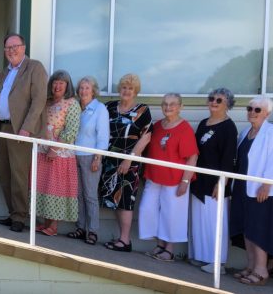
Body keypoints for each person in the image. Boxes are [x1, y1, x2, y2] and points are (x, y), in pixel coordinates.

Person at [0, 33, 48, 232]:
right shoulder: (6, 71)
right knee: (5, 174)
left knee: (18, 175)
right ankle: (12, 213)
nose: (11, 51)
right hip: (4, 128)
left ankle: (20, 217)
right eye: (8, 48)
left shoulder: (34, 67)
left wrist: (27, 127)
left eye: (15, 46)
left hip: (21, 130)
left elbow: (39, 100)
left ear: (23, 47)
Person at [139, 93, 199, 261]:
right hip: (154, 177)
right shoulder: (157, 126)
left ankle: (169, 250)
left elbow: (192, 156)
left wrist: (186, 181)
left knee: (172, 214)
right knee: (147, 209)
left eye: (173, 104)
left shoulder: (184, 128)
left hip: (175, 179)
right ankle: (159, 244)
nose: (168, 107)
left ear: (180, 106)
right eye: (165, 104)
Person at [99, 74, 152, 251]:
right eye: (124, 87)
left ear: (136, 91)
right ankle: (121, 238)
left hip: (130, 162)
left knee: (126, 200)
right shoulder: (110, 107)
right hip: (109, 161)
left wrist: (129, 159)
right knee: (115, 200)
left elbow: (145, 138)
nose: (126, 91)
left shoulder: (142, 110)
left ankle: (125, 240)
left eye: (130, 88)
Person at [190, 88, 237, 273]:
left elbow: (229, 157)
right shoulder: (203, 123)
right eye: (212, 99)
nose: (214, 102)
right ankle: (202, 257)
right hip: (199, 180)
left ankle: (218, 263)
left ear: (227, 105)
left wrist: (222, 183)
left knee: (215, 222)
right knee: (201, 221)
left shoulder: (228, 127)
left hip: (216, 182)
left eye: (219, 100)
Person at [229, 96, 273, 286]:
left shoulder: (270, 133)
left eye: (257, 110)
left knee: (258, 230)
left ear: (267, 113)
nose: (252, 112)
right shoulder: (245, 131)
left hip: (260, 190)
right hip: (242, 187)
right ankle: (251, 265)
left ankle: (262, 270)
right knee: (247, 229)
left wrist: (267, 183)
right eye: (250, 108)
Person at [35, 70, 81, 236]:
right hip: (42, 150)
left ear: (67, 85)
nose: (57, 85)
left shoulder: (72, 104)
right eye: (55, 82)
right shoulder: (46, 102)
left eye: (61, 83)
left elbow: (71, 131)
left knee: (56, 188)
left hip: (59, 154)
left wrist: (54, 149)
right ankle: (45, 222)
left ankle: (53, 226)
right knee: (44, 186)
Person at [67, 76, 109, 245]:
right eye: (81, 88)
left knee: (90, 195)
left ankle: (92, 231)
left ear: (93, 91)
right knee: (78, 194)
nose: (83, 91)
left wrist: (98, 158)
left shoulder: (100, 109)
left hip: (91, 156)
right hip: (74, 155)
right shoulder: (77, 107)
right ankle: (81, 227)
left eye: (87, 88)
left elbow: (103, 136)